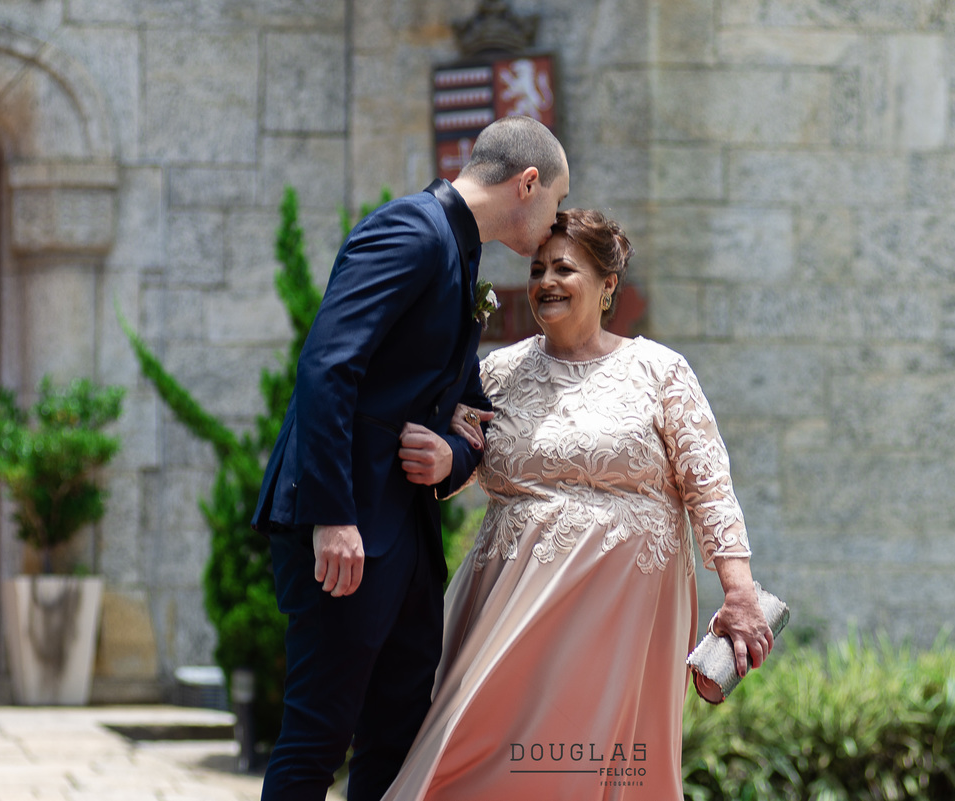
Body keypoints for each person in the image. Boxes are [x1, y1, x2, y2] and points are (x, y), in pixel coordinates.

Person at [380, 209, 774, 800]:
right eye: (537, 269)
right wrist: (443, 460)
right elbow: (461, 466)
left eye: (564, 267)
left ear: (608, 284)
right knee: (485, 759)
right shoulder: (499, 373)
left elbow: (710, 489)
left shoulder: (659, 371)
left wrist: (739, 594)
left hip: (624, 614)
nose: (545, 281)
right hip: (511, 609)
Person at [251, 116, 569, 801]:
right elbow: (327, 367)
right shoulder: (410, 230)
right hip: (347, 527)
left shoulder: (464, 258)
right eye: (555, 203)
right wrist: (333, 516)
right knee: (317, 736)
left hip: (407, 538)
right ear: (528, 182)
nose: (555, 221)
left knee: (398, 737)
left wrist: (449, 452)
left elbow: (472, 413)